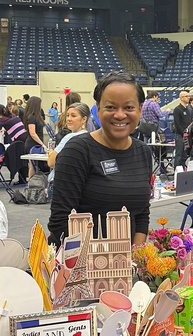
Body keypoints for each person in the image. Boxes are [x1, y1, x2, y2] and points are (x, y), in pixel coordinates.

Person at [48, 72, 152, 247]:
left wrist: (135, 256)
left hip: (125, 263)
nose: (120, 115)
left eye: (128, 107)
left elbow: (142, 213)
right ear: (98, 109)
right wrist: (100, 262)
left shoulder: (142, 152)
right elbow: (60, 222)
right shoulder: (77, 151)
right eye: (110, 107)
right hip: (79, 262)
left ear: (140, 110)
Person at [46, 103, 91, 183]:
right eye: (67, 115)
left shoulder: (69, 138)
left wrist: (51, 153)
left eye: (73, 116)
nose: (69, 119)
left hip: (60, 181)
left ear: (84, 119)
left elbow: (51, 162)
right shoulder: (89, 136)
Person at [22, 96, 48, 179]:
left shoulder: (37, 116)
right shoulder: (31, 117)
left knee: (35, 166)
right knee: (32, 166)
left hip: (37, 142)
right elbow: (32, 133)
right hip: (32, 144)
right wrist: (42, 144)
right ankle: (31, 184)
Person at [172, 90, 193, 168]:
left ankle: (183, 171)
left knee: (185, 155)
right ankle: (176, 172)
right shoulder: (177, 109)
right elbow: (177, 123)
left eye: (189, 96)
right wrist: (183, 133)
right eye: (186, 96)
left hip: (187, 136)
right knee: (179, 155)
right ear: (181, 98)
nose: (188, 98)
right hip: (180, 136)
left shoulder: (189, 109)